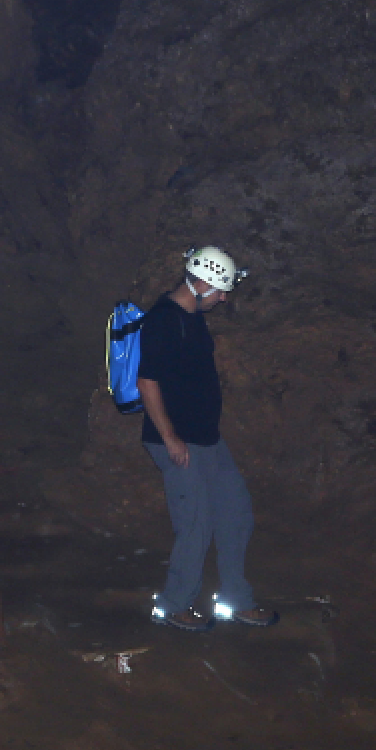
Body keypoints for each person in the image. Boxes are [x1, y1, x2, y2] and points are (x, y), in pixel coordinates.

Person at [135, 245, 277, 632]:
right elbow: (147, 382)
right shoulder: (164, 320)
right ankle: (174, 606)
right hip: (179, 441)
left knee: (235, 513)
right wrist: (170, 437)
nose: (224, 298)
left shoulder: (192, 316)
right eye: (221, 291)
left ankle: (235, 600)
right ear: (201, 285)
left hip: (207, 439)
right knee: (195, 525)